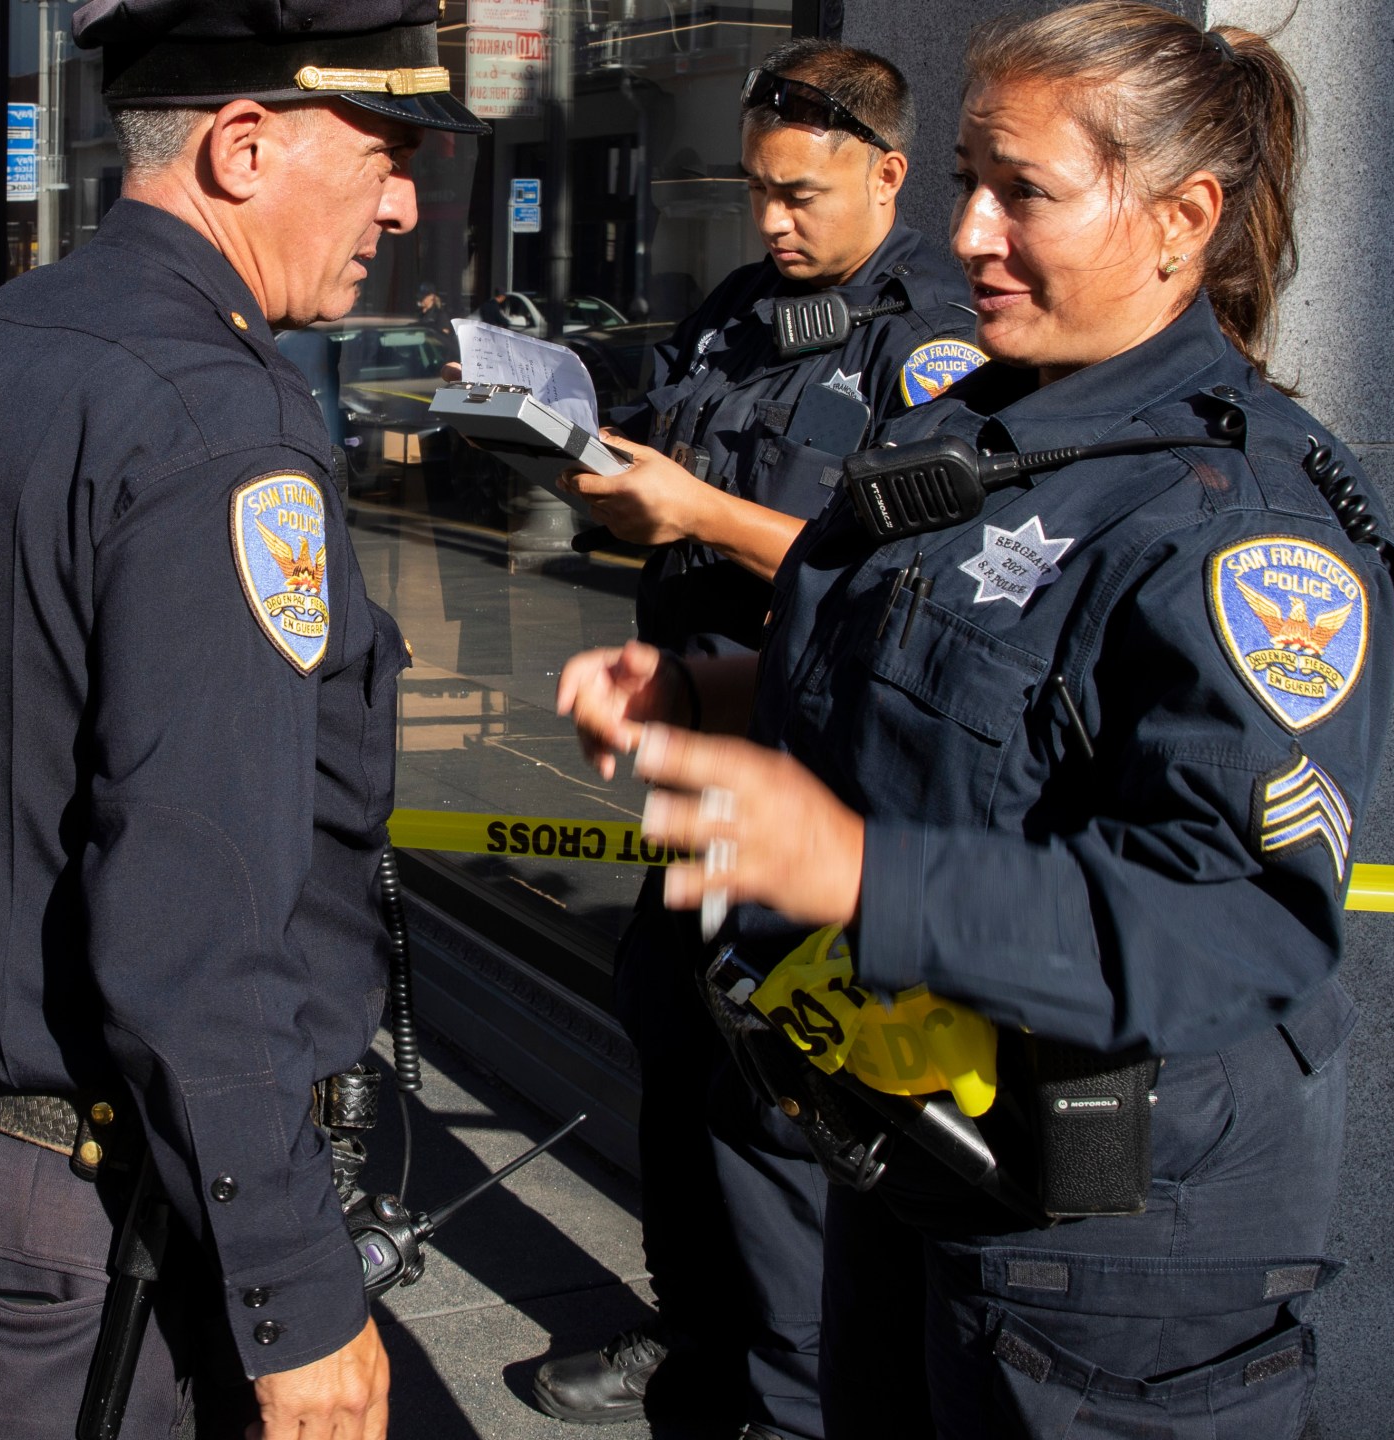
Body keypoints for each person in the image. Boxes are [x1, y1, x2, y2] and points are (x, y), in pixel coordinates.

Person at [559, 6, 1394, 1437]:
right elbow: (946, 688)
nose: (967, 234)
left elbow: (1237, 922)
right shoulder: (995, 434)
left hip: (1110, 1255)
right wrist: (716, 696)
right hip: (924, 1148)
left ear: (1181, 219)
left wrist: (862, 876)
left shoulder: (1246, 532)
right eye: (964, 179)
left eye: (1024, 191)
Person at [0, 3, 485, 1436]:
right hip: (112, 1217)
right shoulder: (222, 430)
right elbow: (198, 913)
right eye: (386, 149)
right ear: (243, 148)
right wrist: (294, 1290)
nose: (406, 198)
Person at [527, 39, 980, 1440]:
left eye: (800, 193)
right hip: (696, 781)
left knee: (789, 1142)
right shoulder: (735, 314)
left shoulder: (937, 347)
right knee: (677, 1078)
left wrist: (704, 518)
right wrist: (605, 482)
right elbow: (660, 453)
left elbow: (917, 590)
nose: (772, 219)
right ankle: (693, 1350)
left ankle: (797, 1402)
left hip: (825, 817)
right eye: (755, 188)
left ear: (888, 173)